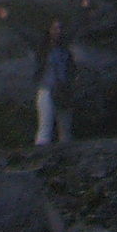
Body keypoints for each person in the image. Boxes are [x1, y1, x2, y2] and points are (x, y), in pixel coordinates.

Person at [34, 17, 75, 145]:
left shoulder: (65, 49)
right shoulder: (43, 48)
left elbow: (77, 27)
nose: (58, 31)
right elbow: (25, 34)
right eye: (55, 28)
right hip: (46, 89)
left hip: (63, 91)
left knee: (65, 130)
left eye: (60, 28)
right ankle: (41, 155)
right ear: (49, 30)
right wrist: (8, 19)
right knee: (45, 126)